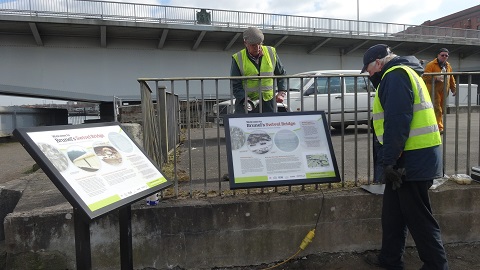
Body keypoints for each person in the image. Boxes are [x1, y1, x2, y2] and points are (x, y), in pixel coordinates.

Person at [361, 44, 449, 269]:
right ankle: (390, 261)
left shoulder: (396, 75)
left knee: (419, 218)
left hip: (411, 160)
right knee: (393, 216)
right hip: (409, 158)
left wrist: (389, 161)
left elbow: (398, 121)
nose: (369, 74)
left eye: (369, 69)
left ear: (379, 62)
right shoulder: (405, 72)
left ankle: (436, 265)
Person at [230, 27, 287, 114]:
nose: (257, 48)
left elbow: (281, 74)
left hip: (268, 103)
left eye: (259, 44)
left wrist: (281, 92)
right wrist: (244, 99)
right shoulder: (238, 58)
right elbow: (235, 84)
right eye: (253, 45)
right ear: (245, 43)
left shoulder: (271, 52)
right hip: (247, 104)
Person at [422, 48, 456, 133]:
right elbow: (425, 77)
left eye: (446, 55)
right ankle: (438, 128)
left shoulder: (448, 66)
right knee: (437, 109)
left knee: (441, 109)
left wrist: (453, 88)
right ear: (438, 55)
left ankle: (436, 125)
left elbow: (451, 78)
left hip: (444, 91)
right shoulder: (431, 65)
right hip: (433, 91)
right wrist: (436, 78)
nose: (444, 57)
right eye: (442, 55)